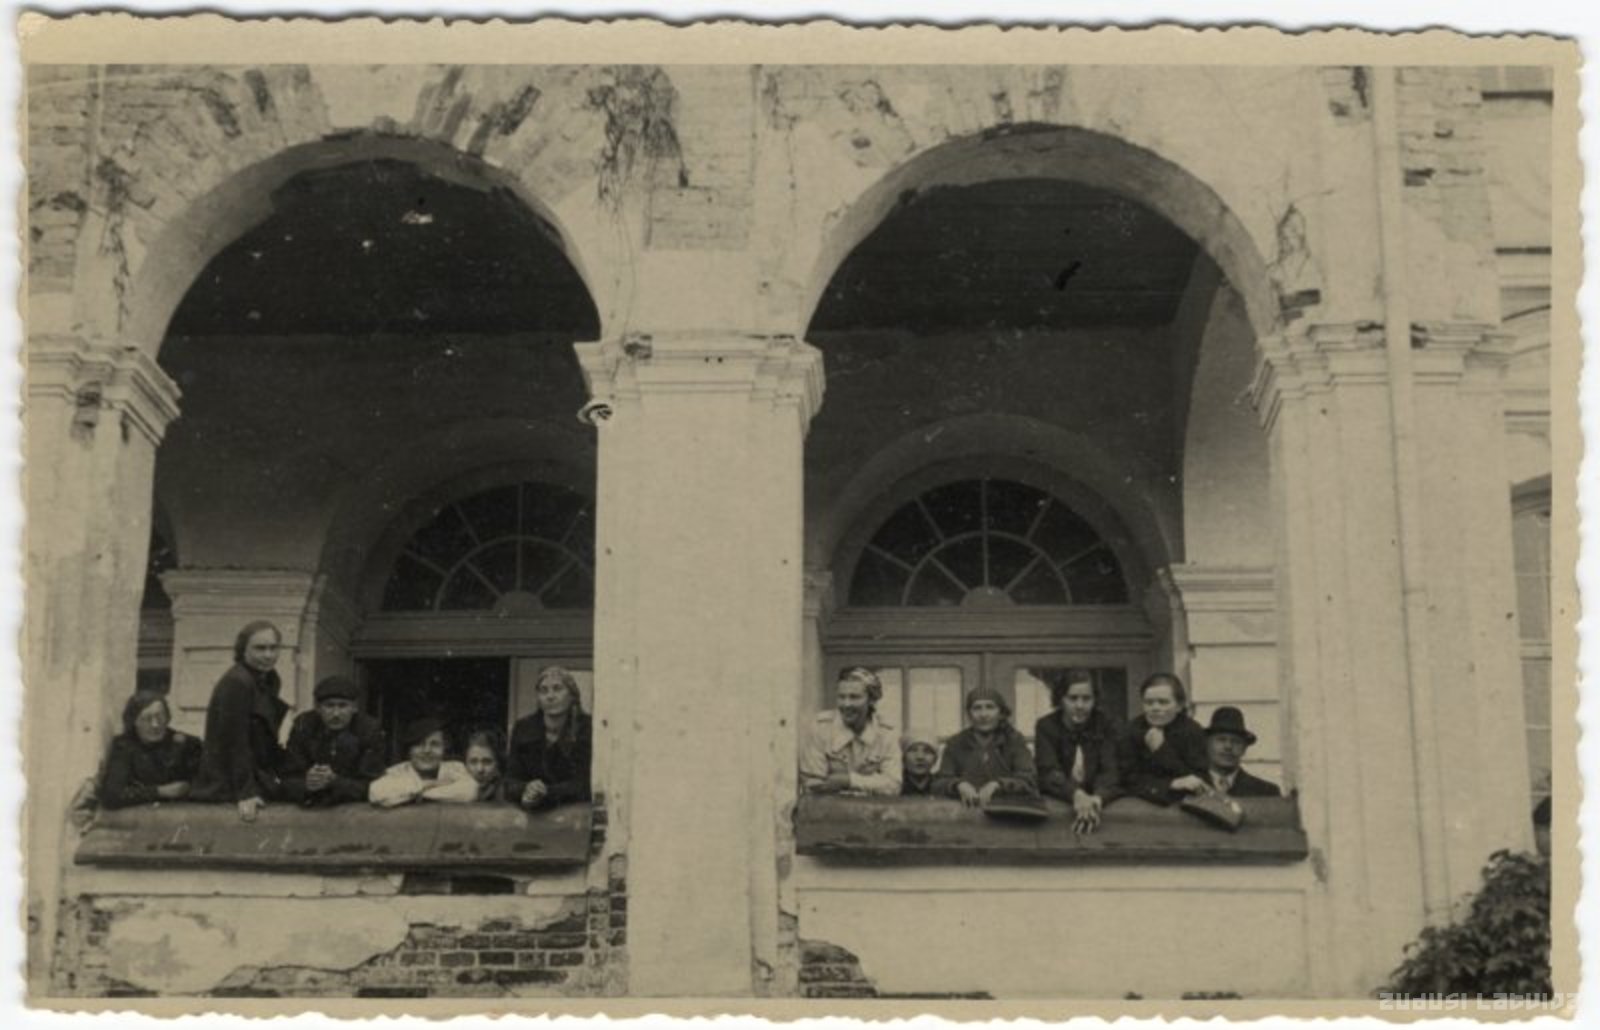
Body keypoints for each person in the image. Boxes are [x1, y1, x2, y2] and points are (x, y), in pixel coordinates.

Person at [189, 620, 291, 821]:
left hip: (258, 775)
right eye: (260, 648)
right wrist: (246, 792)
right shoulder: (237, 682)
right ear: (243, 650)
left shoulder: (267, 679)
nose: (268, 655)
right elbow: (234, 741)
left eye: (273, 648)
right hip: (228, 782)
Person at [1034, 669, 1122, 833]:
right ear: (1061, 699)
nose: (1080, 705)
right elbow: (1048, 771)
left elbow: (1110, 770)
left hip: (1098, 805)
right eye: (1072, 698)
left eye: (1086, 698)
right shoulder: (1046, 726)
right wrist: (1076, 795)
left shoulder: (1106, 725)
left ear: (1095, 700)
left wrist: (1096, 799)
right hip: (1059, 803)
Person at [278, 675, 387, 807]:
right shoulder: (303, 726)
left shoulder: (369, 729)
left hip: (355, 808)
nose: (336, 714)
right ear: (318, 708)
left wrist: (335, 782)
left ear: (354, 708)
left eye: (343, 706)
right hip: (310, 805)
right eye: (329, 706)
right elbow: (286, 779)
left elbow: (375, 785)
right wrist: (306, 784)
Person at [799, 666, 902, 796]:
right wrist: (872, 784)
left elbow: (893, 786)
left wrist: (849, 781)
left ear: (871, 700)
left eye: (854, 697)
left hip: (873, 808)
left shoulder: (886, 733)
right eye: (841, 697)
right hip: (830, 807)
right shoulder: (821, 728)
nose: (846, 704)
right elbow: (813, 786)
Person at [932, 686, 1038, 807]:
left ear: (1000, 713)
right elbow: (939, 783)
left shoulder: (1014, 741)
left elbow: (1029, 780)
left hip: (1007, 811)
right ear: (969, 714)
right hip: (966, 812)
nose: (983, 714)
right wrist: (958, 784)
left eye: (990, 707)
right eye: (977, 708)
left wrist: (998, 784)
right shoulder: (955, 743)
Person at [506, 666, 593, 811]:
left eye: (557, 689)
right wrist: (526, 788)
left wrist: (547, 793)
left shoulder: (587, 728)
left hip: (575, 812)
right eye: (543, 690)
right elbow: (510, 782)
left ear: (572, 695)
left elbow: (584, 783)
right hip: (532, 815)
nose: (550, 696)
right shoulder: (523, 728)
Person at [99, 690, 203, 810]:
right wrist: (160, 791)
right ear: (134, 721)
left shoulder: (187, 744)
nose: (155, 724)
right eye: (147, 719)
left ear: (168, 718)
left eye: (160, 717)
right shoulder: (124, 746)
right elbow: (112, 795)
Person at [1118, 672, 1209, 806]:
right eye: (1149, 703)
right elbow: (1127, 780)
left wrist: (1162, 751)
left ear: (1179, 705)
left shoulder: (1192, 731)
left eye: (1163, 702)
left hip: (1184, 806)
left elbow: (1199, 780)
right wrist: (1170, 784)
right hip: (1140, 806)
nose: (1155, 708)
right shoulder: (1131, 731)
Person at [368, 717, 478, 807]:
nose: (427, 750)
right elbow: (376, 792)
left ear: (444, 749)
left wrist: (417, 795)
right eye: (419, 744)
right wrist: (428, 784)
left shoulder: (455, 768)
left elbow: (470, 790)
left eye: (434, 744)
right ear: (409, 750)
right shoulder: (396, 772)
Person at [1199, 706, 1281, 798]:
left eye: (1236, 741)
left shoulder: (1266, 792)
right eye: (1221, 740)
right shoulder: (1191, 787)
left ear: (1244, 748)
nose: (1228, 747)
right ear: (1206, 744)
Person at [464, 728, 509, 802]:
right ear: (466, 764)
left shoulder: (505, 795)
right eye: (473, 762)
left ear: (497, 764)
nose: (480, 769)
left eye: (487, 762)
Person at [900, 729, 940, 797]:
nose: (920, 757)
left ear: (935, 759)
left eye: (927, 751)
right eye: (913, 750)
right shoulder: (894, 786)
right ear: (903, 758)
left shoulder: (941, 787)